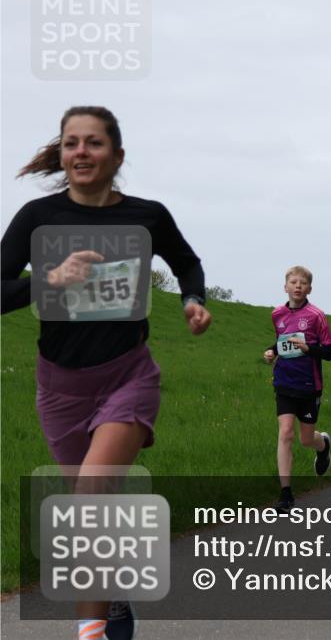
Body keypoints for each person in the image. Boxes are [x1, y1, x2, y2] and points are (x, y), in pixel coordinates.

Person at [1, 106, 212, 640]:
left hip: (127, 377)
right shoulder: (37, 218)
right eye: (71, 143)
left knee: (89, 500)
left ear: (117, 156)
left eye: (93, 143)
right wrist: (50, 281)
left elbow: (187, 261)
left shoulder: (147, 215)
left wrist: (192, 301)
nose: (80, 152)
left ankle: (89, 633)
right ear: (62, 152)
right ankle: (113, 596)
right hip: (59, 388)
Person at [263, 266, 331, 513]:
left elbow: (330, 352)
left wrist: (308, 350)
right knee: (285, 434)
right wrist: (272, 351)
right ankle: (285, 494)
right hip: (284, 382)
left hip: (309, 386)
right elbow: (283, 339)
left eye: (302, 283)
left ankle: (323, 445)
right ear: (285, 287)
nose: (297, 286)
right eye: (293, 282)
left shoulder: (317, 316)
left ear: (309, 289)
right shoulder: (277, 314)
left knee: (306, 439)